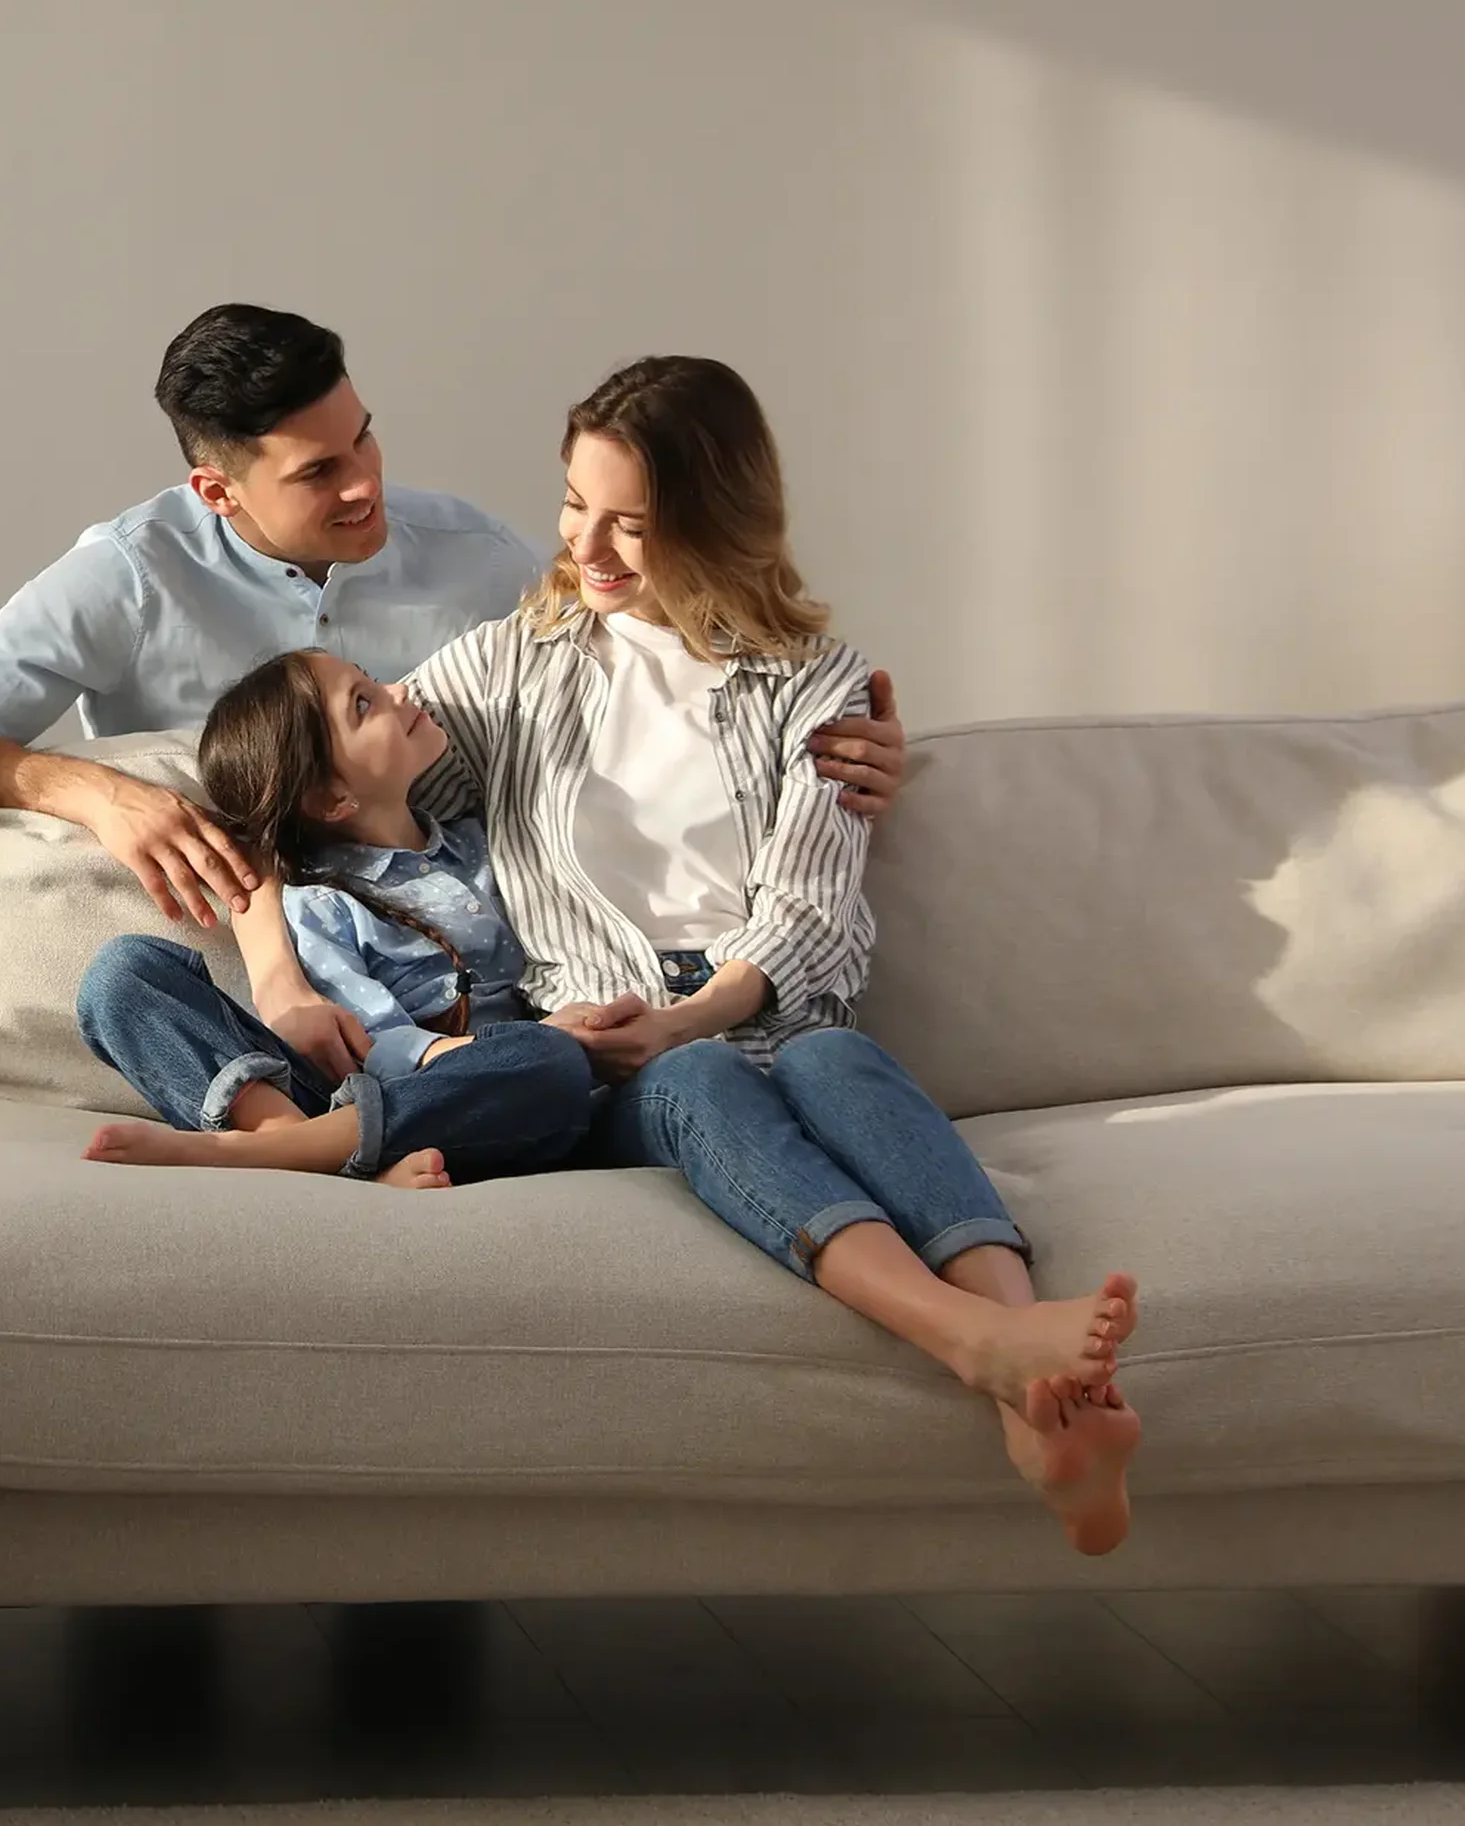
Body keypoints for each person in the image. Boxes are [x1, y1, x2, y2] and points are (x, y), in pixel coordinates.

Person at [376, 353, 1144, 1554]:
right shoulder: (505, 666)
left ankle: (1045, 1392)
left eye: (635, 521)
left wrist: (697, 1010)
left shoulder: (816, 684)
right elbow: (329, 774)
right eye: (577, 504)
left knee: (834, 1059)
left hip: (767, 1011)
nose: (593, 547)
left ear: (718, 521)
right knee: (698, 1077)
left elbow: (811, 907)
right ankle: (976, 1341)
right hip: (616, 1051)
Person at [0, 305, 911, 1087]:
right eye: (319, 472)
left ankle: (404, 1112)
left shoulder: (476, 558)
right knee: (130, 982)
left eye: (364, 440)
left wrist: (826, 736)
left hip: (476, 989)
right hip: (269, 954)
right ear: (218, 492)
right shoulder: (126, 578)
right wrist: (98, 792)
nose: (365, 485)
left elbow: (643, 675)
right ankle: (301, 1127)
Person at [73, 649, 603, 1188]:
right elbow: (373, 1049)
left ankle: (302, 1157)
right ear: (332, 798)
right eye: (364, 704)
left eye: (372, 682)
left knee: (549, 1061)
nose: (400, 691)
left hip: (478, 1111)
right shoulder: (323, 901)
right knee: (123, 974)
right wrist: (481, 1050)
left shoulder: (488, 844)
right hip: (364, 1095)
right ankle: (294, 1143)